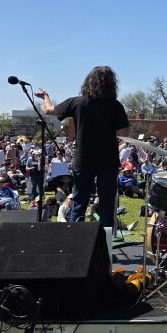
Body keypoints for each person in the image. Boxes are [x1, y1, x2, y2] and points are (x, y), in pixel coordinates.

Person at [35, 66, 129, 227]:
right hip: (108, 162)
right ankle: (104, 245)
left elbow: (48, 110)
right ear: (112, 84)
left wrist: (45, 96)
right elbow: (124, 136)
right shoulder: (116, 106)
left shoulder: (76, 102)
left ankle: (75, 245)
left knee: (79, 203)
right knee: (107, 204)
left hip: (83, 160)